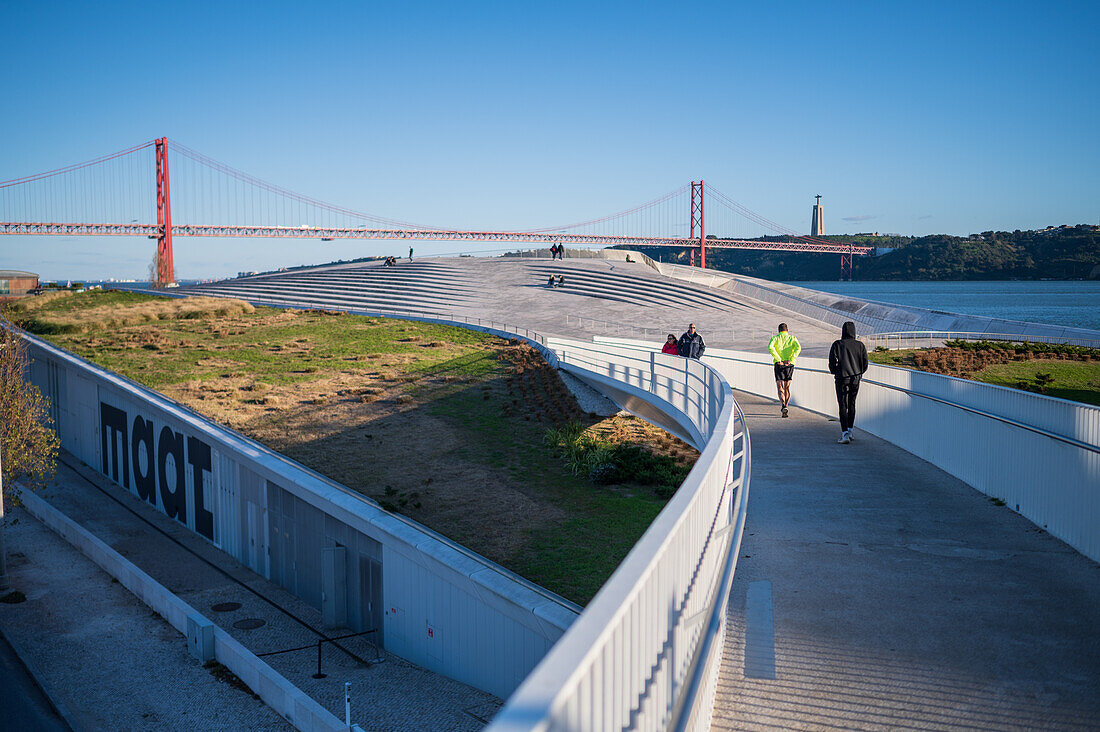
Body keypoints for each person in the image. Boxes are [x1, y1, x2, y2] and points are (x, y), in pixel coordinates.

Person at [828, 321, 868, 444]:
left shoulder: (837, 344)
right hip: (855, 378)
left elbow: (831, 362)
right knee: (852, 403)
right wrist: (859, 373)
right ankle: (850, 430)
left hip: (841, 378)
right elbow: (865, 363)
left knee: (842, 405)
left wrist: (836, 372)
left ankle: (844, 433)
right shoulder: (860, 345)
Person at [768, 323, 801, 418]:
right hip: (789, 364)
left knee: (780, 386)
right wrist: (791, 358)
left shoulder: (775, 339)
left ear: (778, 330)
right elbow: (798, 348)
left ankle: (783, 406)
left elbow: (771, 347)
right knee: (787, 386)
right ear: (787, 330)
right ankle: (786, 405)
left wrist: (778, 359)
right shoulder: (792, 338)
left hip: (779, 364)